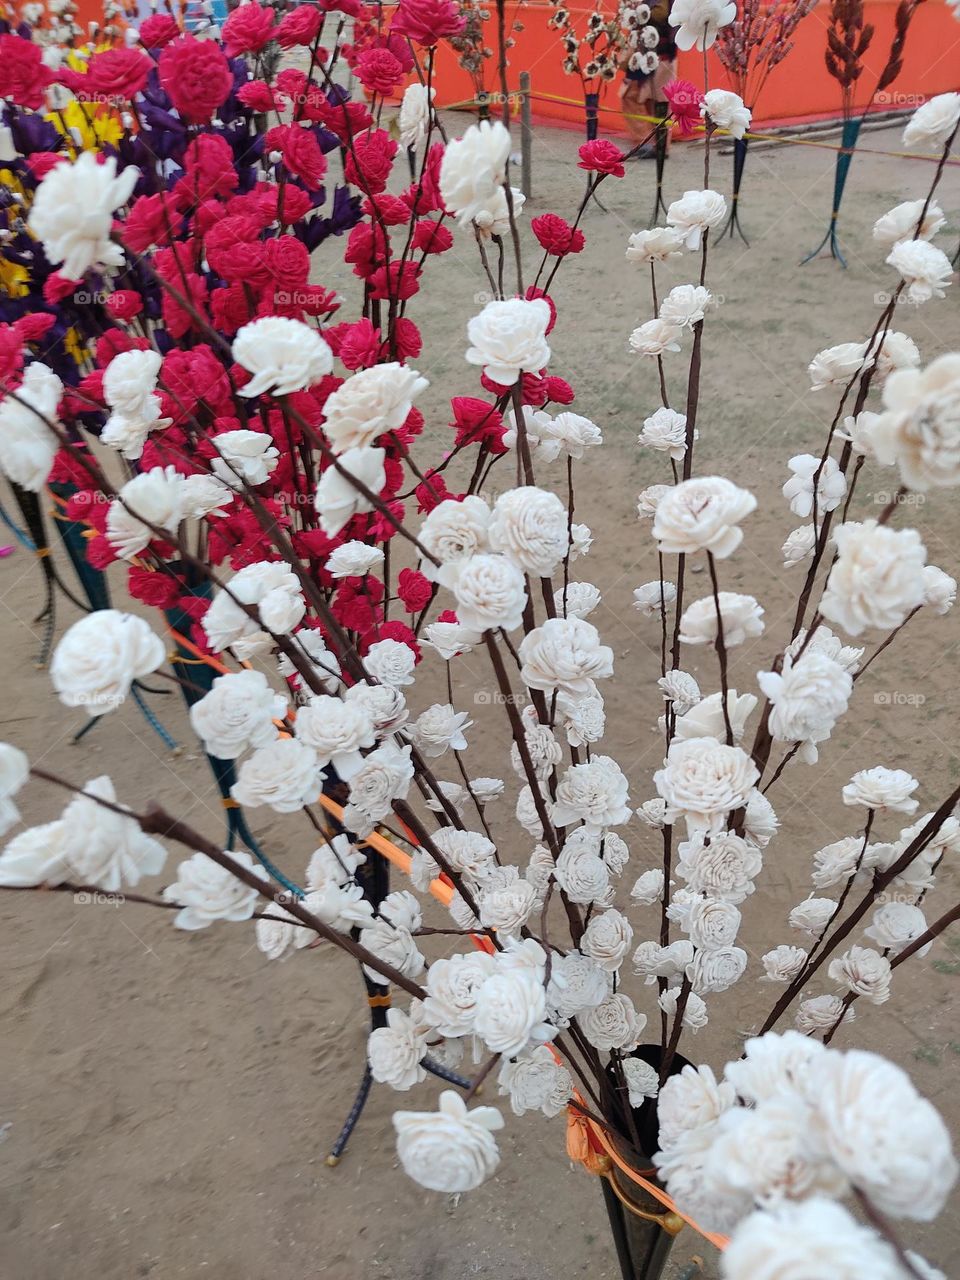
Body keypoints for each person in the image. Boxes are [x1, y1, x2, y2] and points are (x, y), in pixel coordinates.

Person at [619, 0, 678, 157]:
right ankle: (646, 142)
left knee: (659, 102)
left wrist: (640, 11)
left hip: (662, 54)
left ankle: (658, 145)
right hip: (643, 51)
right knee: (632, 95)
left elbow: (663, 15)